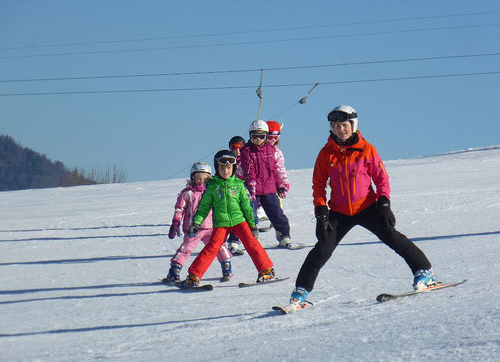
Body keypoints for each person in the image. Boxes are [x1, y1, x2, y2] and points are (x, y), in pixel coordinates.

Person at [288, 105, 437, 306]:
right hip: (339, 212)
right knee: (322, 249)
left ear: (353, 125)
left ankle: (424, 272)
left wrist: (384, 203)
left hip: (367, 207)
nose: (341, 129)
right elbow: (319, 185)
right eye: (337, 126)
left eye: (345, 125)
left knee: (391, 236)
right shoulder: (326, 154)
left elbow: (381, 179)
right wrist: (321, 212)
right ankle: (301, 292)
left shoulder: (367, 149)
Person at [181, 150, 275, 287]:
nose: (226, 171)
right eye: (222, 167)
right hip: (221, 224)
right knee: (212, 247)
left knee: (251, 243)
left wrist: (252, 224)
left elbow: (247, 207)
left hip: (239, 221)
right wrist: (196, 223)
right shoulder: (212, 186)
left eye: (229, 168)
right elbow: (203, 208)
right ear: (217, 168)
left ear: (234, 168)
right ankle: (194, 276)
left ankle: (266, 270)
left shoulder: (238, 185)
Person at [165, 161, 233, 283]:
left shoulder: (213, 192)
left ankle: (227, 268)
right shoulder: (188, 193)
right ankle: (174, 271)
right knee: (186, 249)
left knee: (218, 247)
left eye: (205, 179)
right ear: (193, 178)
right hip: (193, 229)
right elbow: (179, 209)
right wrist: (176, 222)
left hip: (211, 227)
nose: (201, 181)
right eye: (198, 178)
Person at [240, 119, 293, 248]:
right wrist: (250, 184)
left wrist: (280, 184)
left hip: (269, 188)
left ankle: (283, 235)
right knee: (249, 214)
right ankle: (248, 238)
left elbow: (275, 170)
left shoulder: (271, 150)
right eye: (255, 136)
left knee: (276, 213)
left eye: (262, 136)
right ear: (250, 135)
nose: (258, 139)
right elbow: (248, 169)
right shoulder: (247, 151)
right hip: (254, 191)